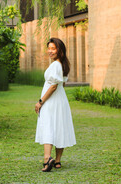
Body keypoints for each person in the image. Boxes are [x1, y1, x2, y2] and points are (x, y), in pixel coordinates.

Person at [35, 37, 76, 172]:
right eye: (49, 48)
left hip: (51, 100)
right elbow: (61, 84)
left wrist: (41, 102)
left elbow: (53, 86)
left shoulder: (55, 65)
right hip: (61, 100)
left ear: (60, 50)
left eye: (53, 48)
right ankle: (57, 161)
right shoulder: (63, 65)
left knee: (48, 126)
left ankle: (47, 159)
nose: (50, 51)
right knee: (59, 126)